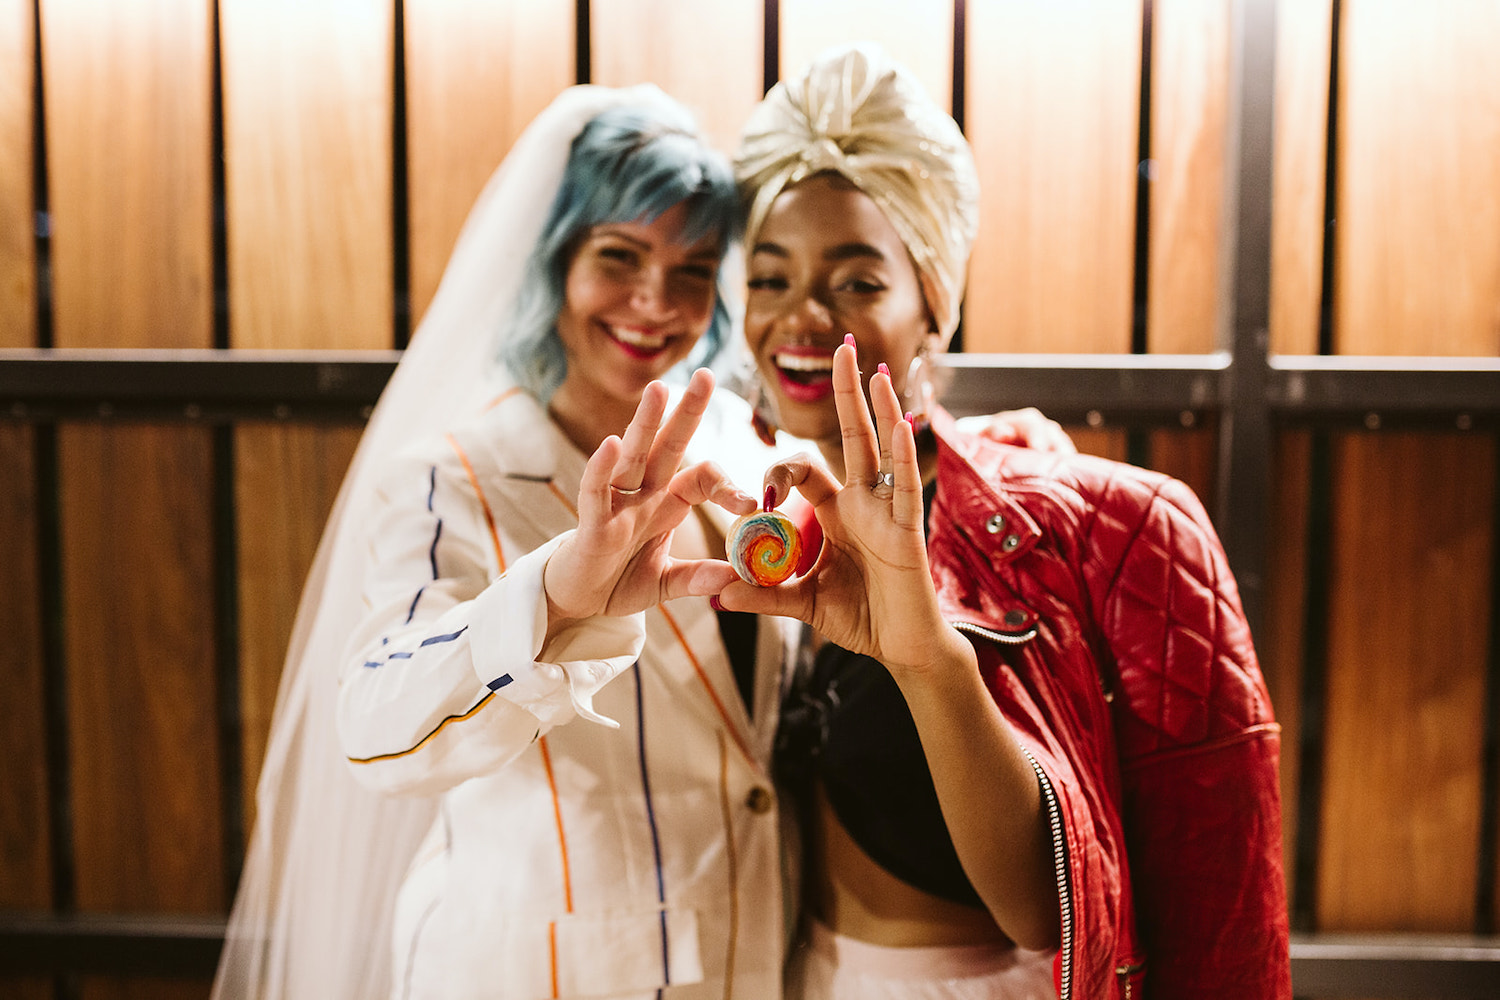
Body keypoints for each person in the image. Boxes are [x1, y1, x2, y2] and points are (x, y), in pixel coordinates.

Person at [721, 44, 1291, 999]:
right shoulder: (766, 513)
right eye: (770, 278)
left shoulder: (1115, 528)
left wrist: (929, 659)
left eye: (859, 281)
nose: (801, 316)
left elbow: (1085, 908)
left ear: (934, 306)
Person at [214, 84, 807, 1000]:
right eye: (619, 256)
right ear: (554, 262)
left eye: (693, 268)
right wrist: (559, 599)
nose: (655, 302)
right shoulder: (450, 475)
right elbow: (373, 728)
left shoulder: (737, 440)